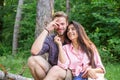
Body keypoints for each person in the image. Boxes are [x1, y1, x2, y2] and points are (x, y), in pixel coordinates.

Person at [27, 11, 72, 80]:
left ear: (67, 24)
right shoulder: (51, 39)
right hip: (52, 72)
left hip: (68, 72)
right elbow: (34, 52)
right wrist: (47, 29)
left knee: (56, 69)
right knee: (32, 60)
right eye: (57, 24)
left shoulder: (72, 37)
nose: (60, 27)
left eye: (62, 24)